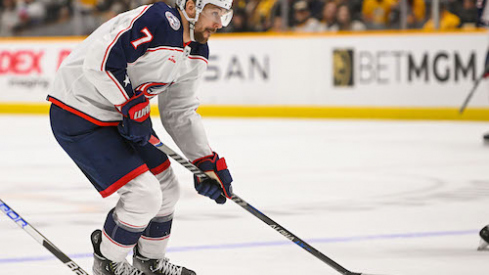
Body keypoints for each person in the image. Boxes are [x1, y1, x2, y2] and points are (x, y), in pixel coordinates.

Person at [47, 0, 234, 274]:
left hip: (121, 116)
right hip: (78, 112)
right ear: (192, 7)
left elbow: (179, 112)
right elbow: (100, 63)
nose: (220, 24)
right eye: (216, 13)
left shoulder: (197, 49)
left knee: (168, 190)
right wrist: (130, 105)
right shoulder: (158, 19)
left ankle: (150, 263)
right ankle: (108, 262)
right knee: (143, 195)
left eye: (225, 16)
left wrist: (204, 160)